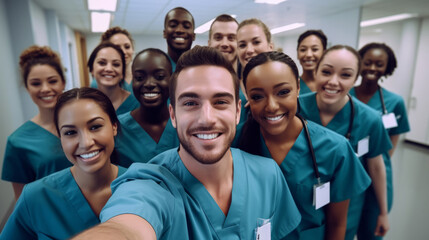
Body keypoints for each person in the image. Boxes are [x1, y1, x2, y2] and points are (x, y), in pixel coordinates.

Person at [73, 46, 301, 239]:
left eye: (221, 101)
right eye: (191, 103)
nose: (207, 118)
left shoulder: (268, 175)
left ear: (238, 112)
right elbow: (125, 226)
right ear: (172, 114)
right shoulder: (152, 186)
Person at [236, 51, 370, 240]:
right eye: (258, 96)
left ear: (298, 88)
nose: (272, 106)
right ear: (248, 98)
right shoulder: (235, 143)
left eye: (283, 92)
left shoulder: (335, 149)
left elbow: (337, 223)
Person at [0, 88, 127, 239]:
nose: (86, 143)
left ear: (114, 126)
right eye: (70, 132)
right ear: (60, 138)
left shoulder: (141, 186)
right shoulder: (35, 197)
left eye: (95, 127)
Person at [298, 45, 392, 240]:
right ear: (316, 71)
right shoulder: (294, 108)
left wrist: (383, 212)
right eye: (326, 72)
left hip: (347, 208)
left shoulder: (370, 119)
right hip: (301, 208)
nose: (333, 82)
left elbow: (376, 167)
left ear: (356, 78)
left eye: (345, 75)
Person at [350, 42, 410, 240]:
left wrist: (378, 159)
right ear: (360, 63)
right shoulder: (344, 95)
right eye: (367, 63)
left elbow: (394, 137)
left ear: (387, 68)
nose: (372, 68)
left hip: (377, 177)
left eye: (379, 64)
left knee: (371, 233)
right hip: (348, 174)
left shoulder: (395, 102)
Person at [1, 45, 71, 200]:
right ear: (27, 87)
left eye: (52, 81)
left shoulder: (82, 125)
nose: (45, 89)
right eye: (36, 83)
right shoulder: (18, 142)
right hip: (52, 218)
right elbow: (23, 201)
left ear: (63, 82)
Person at [115, 48, 179, 167]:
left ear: (172, 80)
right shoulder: (117, 129)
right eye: (139, 78)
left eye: (159, 76)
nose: (149, 84)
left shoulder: (185, 123)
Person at [236, 18, 274, 123]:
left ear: (270, 47)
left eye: (256, 42)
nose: (249, 50)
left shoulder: (286, 89)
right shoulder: (231, 88)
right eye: (242, 45)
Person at [87, 42, 139, 115]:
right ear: (92, 69)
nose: (109, 69)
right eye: (102, 63)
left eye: (116, 64)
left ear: (122, 73)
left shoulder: (136, 105)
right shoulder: (84, 104)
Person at [90, 26, 135, 92]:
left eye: (127, 47)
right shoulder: (97, 84)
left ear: (133, 50)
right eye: (117, 47)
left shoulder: (142, 77)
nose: (124, 52)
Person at [163, 7, 195, 71]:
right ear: (165, 33)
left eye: (186, 26)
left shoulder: (201, 67)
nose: (180, 30)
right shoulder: (158, 67)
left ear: (194, 36)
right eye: (173, 25)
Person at [296, 30, 327, 94]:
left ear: (324, 53)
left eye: (314, 49)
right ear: (297, 53)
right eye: (303, 50)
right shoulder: (293, 86)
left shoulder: (331, 85)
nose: (308, 55)